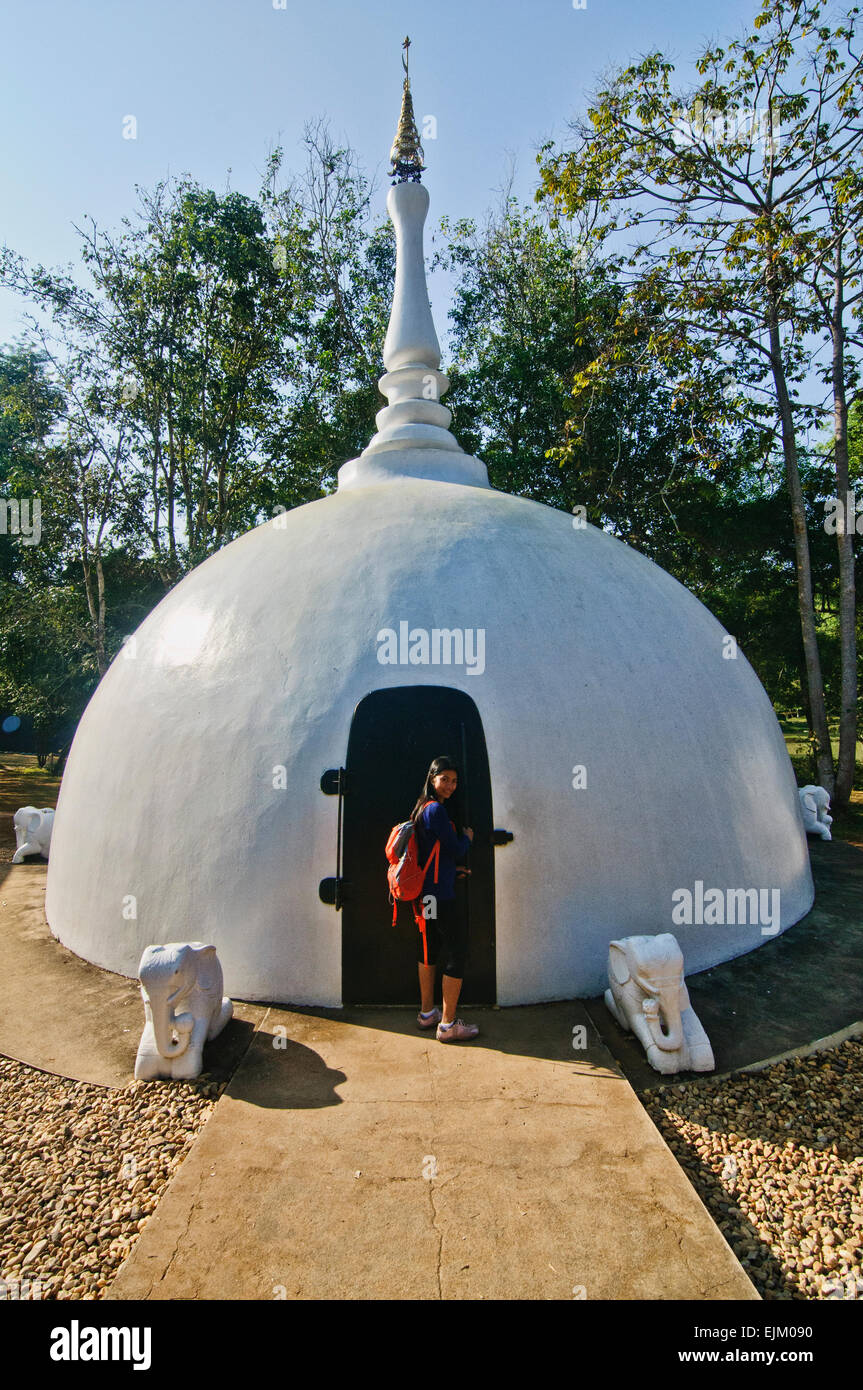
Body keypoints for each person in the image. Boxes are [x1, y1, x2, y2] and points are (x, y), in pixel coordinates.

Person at [409, 755, 478, 1042]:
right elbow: (453, 847)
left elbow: (433, 855)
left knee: (429, 948)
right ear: (432, 778)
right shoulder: (436, 810)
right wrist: (467, 839)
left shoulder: (422, 808)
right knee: (458, 951)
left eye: (454, 780)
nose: (450, 785)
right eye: (445, 779)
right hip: (442, 895)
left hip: (425, 894)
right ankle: (448, 1025)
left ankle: (427, 1014)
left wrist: (453, 870)